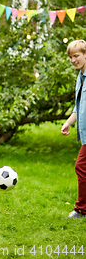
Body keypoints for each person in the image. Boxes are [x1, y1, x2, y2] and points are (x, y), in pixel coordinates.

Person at [61, 39, 86, 219]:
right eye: (71, 57)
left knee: (81, 166)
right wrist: (68, 122)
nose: (73, 60)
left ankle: (82, 209)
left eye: (76, 56)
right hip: (84, 132)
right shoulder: (80, 78)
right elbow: (79, 107)